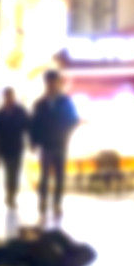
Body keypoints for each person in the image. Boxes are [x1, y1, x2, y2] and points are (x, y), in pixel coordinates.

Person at [31, 70, 79, 218]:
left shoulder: (65, 101)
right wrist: (34, 142)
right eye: (49, 82)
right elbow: (34, 124)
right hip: (46, 145)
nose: (51, 85)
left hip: (60, 143)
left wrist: (65, 133)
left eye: (54, 81)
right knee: (44, 175)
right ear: (46, 84)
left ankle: (57, 203)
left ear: (58, 83)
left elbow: (74, 120)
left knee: (59, 176)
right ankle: (43, 201)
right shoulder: (40, 104)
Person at [0, 88, 29, 209]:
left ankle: (12, 195)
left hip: (17, 146)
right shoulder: (0, 113)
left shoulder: (20, 111)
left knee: (15, 172)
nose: (8, 98)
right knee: (8, 172)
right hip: (4, 147)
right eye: (6, 96)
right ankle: (9, 194)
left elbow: (27, 126)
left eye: (10, 96)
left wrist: (31, 142)